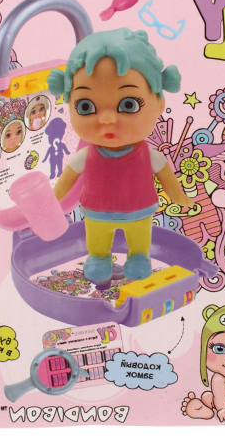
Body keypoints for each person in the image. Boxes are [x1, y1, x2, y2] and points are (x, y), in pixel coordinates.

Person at [47, 28, 190, 284]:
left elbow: (167, 178)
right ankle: (98, 257)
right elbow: (65, 181)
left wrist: (179, 197)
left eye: (128, 105)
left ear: (159, 102)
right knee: (97, 240)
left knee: (139, 239)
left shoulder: (150, 156)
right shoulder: (85, 156)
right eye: (86, 106)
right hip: (97, 211)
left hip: (139, 209)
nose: (107, 119)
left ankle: (139, 257)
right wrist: (52, 203)